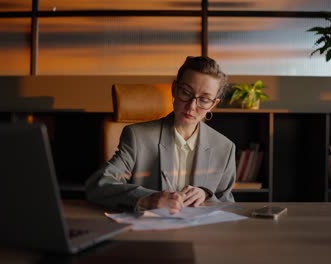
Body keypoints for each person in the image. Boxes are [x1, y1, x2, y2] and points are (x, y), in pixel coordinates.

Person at [84, 56, 236, 214]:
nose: (191, 106)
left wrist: (205, 195)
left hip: (200, 233)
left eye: (204, 99)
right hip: (151, 231)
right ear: (174, 90)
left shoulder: (224, 148)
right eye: (185, 92)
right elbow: (98, 185)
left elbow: (226, 203)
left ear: (213, 104)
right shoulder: (138, 138)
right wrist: (147, 199)